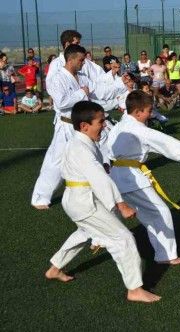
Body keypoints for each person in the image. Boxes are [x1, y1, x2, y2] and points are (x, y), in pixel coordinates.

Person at [45, 100, 161, 303]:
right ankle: (134, 289)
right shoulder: (81, 147)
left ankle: (55, 268)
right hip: (84, 202)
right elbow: (98, 177)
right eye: (100, 122)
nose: (104, 125)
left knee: (85, 232)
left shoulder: (81, 142)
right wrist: (121, 204)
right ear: (84, 125)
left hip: (77, 199)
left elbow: (92, 172)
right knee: (123, 238)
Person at [107, 90, 180, 265]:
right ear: (137, 112)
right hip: (130, 179)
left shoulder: (120, 126)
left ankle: (61, 260)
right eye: (149, 111)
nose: (151, 114)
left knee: (103, 216)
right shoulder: (137, 129)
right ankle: (165, 255)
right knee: (159, 212)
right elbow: (161, 141)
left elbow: (153, 144)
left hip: (116, 176)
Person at [31, 44, 119, 209]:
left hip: (84, 127)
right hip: (66, 126)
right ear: (70, 59)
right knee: (56, 163)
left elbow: (98, 92)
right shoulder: (58, 78)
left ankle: (106, 193)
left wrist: (120, 88)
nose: (83, 63)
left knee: (98, 156)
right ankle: (40, 198)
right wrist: (81, 93)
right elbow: (62, 102)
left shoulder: (82, 77)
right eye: (81, 60)